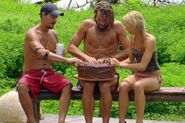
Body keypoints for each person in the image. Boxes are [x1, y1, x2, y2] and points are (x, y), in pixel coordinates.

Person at [16, 3, 80, 123]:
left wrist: (61, 55)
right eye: (52, 17)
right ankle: (31, 120)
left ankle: (61, 120)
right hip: (32, 73)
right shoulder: (32, 33)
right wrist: (66, 60)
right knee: (22, 87)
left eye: (56, 17)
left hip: (48, 73)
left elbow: (52, 57)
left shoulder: (53, 34)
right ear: (43, 15)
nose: (55, 20)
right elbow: (42, 53)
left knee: (67, 85)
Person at [68, 1, 130, 123]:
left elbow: (129, 50)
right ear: (95, 15)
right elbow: (71, 47)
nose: (102, 22)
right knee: (88, 85)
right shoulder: (86, 25)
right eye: (100, 19)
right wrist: (86, 57)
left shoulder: (117, 27)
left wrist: (111, 59)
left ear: (111, 18)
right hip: (88, 71)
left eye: (106, 20)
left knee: (104, 86)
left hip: (108, 71)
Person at [110, 11, 162, 123]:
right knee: (123, 85)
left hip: (153, 77)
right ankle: (121, 120)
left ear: (135, 24)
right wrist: (114, 62)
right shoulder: (133, 38)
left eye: (128, 25)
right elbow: (130, 60)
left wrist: (121, 65)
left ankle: (139, 121)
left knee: (138, 85)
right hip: (139, 75)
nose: (126, 28)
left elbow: (142, 66)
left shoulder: (150, 40)